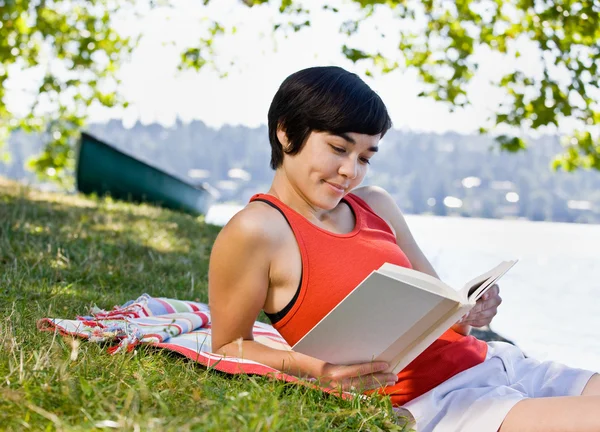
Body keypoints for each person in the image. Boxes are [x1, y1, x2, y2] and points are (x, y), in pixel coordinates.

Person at [208, 66, 599, 432]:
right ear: (285, 132)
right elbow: (228, 345)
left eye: (364, 157)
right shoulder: (257, 229)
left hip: (495, 362)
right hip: (442, 401)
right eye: (338, 149)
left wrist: (470, 311)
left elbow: (443, 309)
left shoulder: (374, 204)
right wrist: (319, 370)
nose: (351, 171)